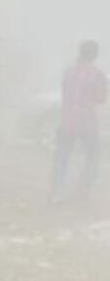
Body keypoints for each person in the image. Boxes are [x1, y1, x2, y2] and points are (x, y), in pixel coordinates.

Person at [51, 40, 107, 206]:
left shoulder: (69, 72)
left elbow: (64, 92)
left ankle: (57, 192)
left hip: (67, 120)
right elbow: (101, 98)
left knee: (61, 157)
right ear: (95, 55)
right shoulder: (97, 74)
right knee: (93, 157)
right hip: (87, 122)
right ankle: (83, 191)